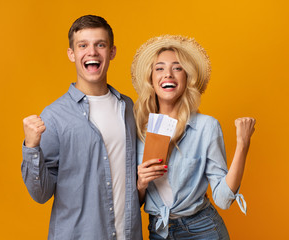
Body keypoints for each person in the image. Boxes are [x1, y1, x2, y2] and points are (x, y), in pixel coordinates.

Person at [21, 15, 142, 240]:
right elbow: (40, 194)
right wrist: (31, 146)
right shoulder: (54, 116)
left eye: (100, 45)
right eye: (83, 45)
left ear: (112, 52)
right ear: (72, 54)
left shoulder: (127, 107)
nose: (92, 52)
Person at [131, 35, 256, 239]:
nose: (168, 74)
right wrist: (141, 184)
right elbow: (134, 204)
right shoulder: (136, 129)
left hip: (203, 229)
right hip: (159, 231)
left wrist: (243, 145)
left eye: (177, 68)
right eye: (160, 68)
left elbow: (224, 200)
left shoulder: (206, 126)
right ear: (151, 79)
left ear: (187, 77)